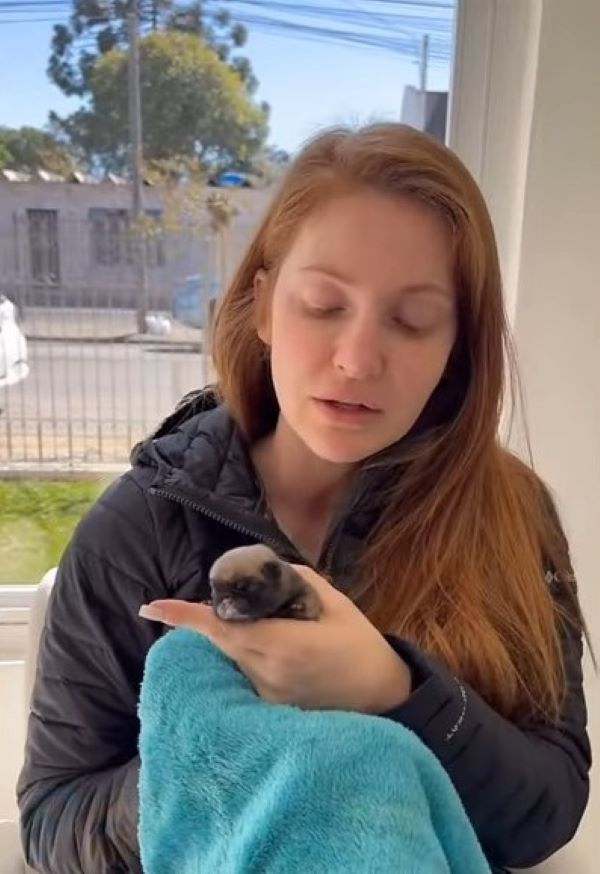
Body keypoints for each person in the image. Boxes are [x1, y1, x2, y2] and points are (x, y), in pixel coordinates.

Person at [18, 123, 591, 874]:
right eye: (324, 305)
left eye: (412, 321)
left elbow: (547, 811)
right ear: (262, 306)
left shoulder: (512, 515)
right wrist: (215, 750)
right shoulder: (138, 530)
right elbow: (52, 821)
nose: (356, 359)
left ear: (458, 346)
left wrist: (390, 689)